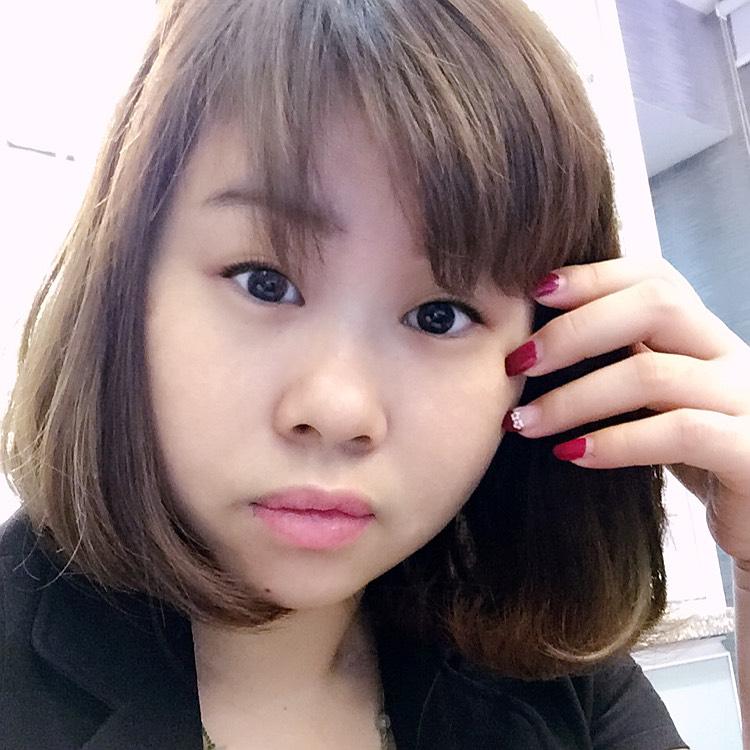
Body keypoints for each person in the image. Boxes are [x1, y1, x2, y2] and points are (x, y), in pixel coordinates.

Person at [1, 0, 749, 748]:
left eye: (440, 316)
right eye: (264, 281)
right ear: (126, 283)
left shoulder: (550, 674)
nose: (338, 409)